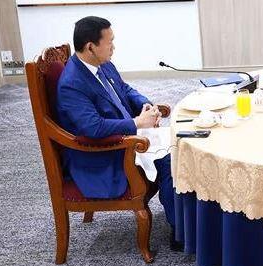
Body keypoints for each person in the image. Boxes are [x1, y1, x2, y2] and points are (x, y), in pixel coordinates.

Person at [56, 16, 181, 251]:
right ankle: (181, 232)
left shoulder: (103, 63)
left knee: (178, 144)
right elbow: (93, 128)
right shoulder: (72, 83)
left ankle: (184, 222)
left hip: (126, 138)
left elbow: (125, 90)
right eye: (110, 41)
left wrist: (146, 106)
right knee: (170, 160)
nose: (114, 46)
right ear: (90, 46)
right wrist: (136, 123)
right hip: (102, 156)